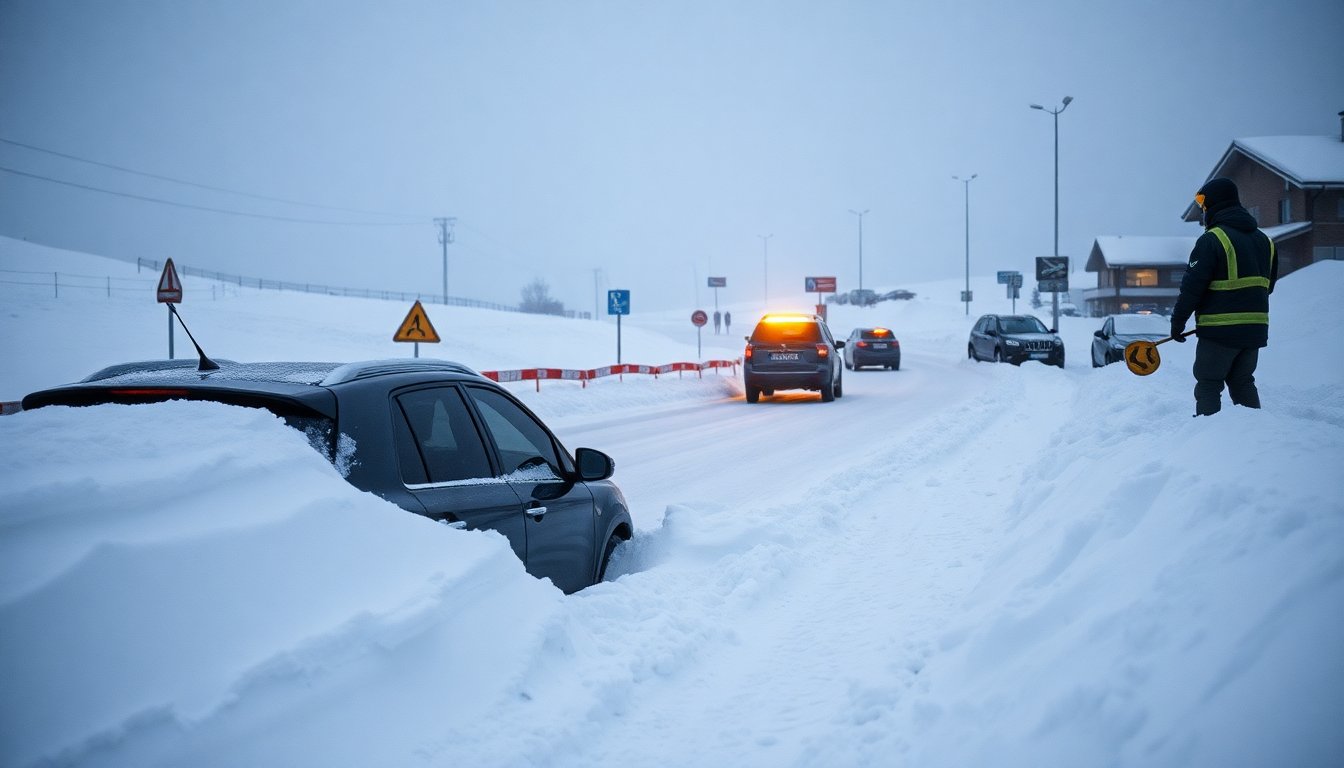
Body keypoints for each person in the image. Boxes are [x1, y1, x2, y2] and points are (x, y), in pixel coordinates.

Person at [1170, 177, 1277, 416]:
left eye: (1203, 204)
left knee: (1209, 384)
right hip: (1254, 331)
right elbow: (1266, 287)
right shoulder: (1265, 242)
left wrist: (1177, 322)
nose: (1202, 210)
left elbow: (1192, 288)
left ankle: (1209, 444)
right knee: (1243, 382)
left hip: (1219, 331)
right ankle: (1257, 441)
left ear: (1214, 204)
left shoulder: (1212, 240)